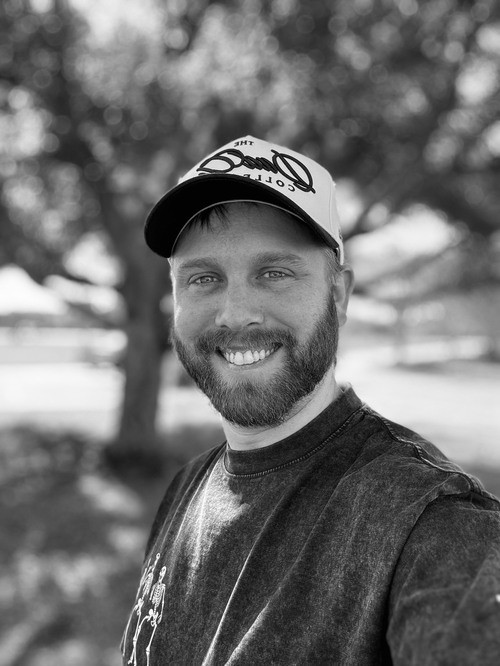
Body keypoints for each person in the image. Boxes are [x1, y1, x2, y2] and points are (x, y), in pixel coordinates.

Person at [121, 136, 500, 665]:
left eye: (274, 273)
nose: (236, 314)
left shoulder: (433, 520)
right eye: (203, 278)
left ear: (338, 296)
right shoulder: (186, 487)